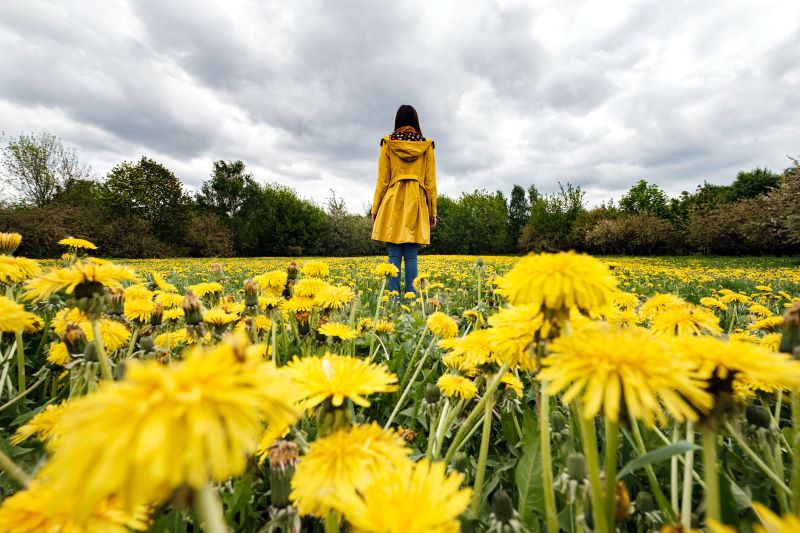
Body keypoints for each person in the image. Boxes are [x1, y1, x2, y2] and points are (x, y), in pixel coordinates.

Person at [370, 104, 437, 296]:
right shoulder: (427, 145)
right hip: (417, 201)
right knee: (411, 256)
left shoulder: (387, 143)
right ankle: (412, 300)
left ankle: (392, 299)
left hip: (393, 199)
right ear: (416, 121)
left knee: (393, 254)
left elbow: (382, 180)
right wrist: (433, 213)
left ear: (397, 121)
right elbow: (431, 183)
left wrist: (375, 209)